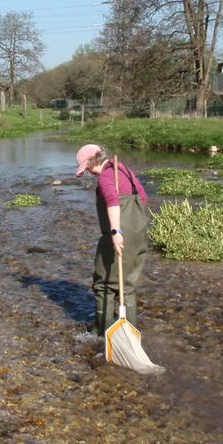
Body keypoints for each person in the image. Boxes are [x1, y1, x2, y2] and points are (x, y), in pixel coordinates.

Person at [75, 144, 150, 336]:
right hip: (138, 233)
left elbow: (113, 202)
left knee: (104, 284)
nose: (89, 173)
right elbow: (142, 198)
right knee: (128, 285)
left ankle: (101, 331)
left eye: (87, 168)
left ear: (92, 162)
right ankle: (131, 333)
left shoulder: (107, 177)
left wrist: (116, 232)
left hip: (119, 234)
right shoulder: (123, 169)